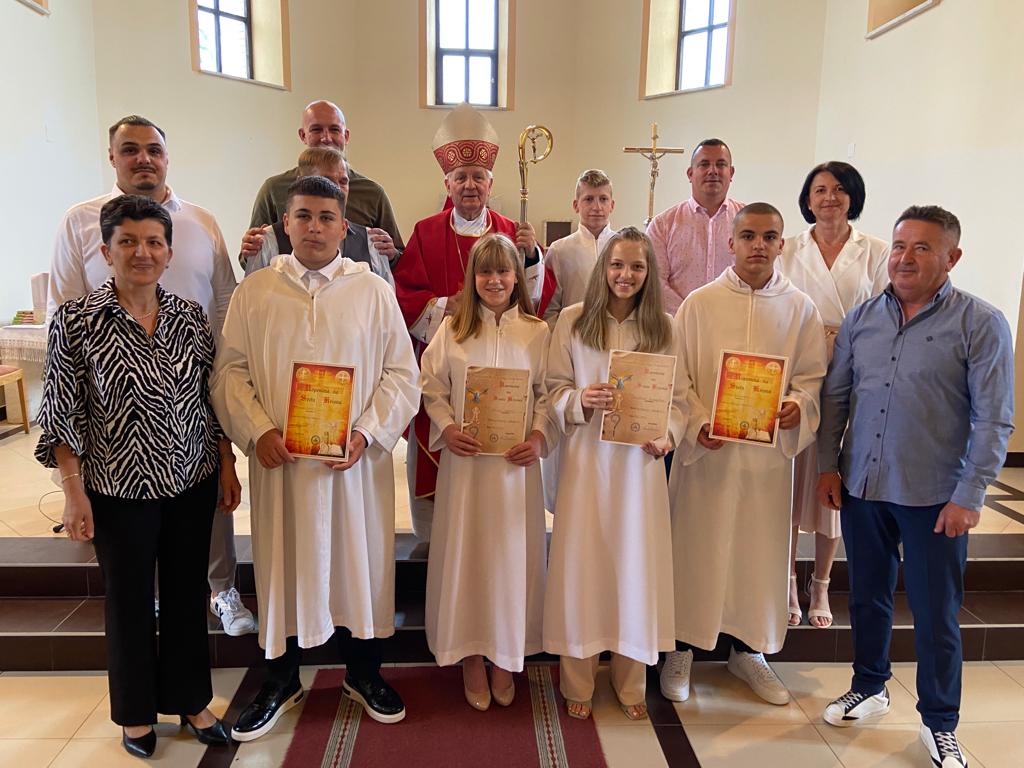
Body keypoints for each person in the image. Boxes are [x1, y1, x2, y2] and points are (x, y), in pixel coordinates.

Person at [211, 176, 420, 741]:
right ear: (285, 223)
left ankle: (364, 673)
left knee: (357, 563)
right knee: (283, 564)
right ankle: (281, 680)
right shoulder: (257, 291)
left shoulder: (372, 290)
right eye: (303, 216)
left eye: (327, 217)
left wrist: (368, 433)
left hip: (353, 467)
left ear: (344, 227)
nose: (314, 227)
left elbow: (403, 374)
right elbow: (229, 372)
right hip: (281, 465)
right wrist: (257, 431)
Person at [36, 195, 240, 758]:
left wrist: (225, 461)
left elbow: (209, 397)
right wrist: (72, 491)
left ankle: (192, 701)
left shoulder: (189, 318)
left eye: (153, 242)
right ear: (106, 252)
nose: (142, 252)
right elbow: (61, 413)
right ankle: (134, 714)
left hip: (191, 479)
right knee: (127, 600)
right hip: (116, 489)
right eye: (127, 242)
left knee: (186, 592)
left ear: (169, 252)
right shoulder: (77, 322)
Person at [817, 206, 1014, 768]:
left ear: (952, 257)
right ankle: (869, 686)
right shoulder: (862, 318)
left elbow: (993, 419)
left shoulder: (980, 322)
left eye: (922, 248)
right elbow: (836, 397)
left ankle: (940, 722)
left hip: (935, 497)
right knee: (866, 596)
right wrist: (828, 466)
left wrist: (970, 495)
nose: (904, 258)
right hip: (864, 485)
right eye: (900, 245)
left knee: (935, 612)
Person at [46, 114, 254, 637]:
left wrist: (226, 395)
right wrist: (71, 480)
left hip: (192, 410)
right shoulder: (80, 221)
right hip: (115, 439)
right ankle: (147, 604)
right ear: (112, 157)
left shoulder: (201, 222)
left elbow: (225, 299)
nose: (144, 159)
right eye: (131, 150)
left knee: (205, 524)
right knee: (131, 576)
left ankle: (222, 590)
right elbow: (62, 305)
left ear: (166, 158)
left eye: (153, 150)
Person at [660, 203, 827, 707]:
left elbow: (812, 379)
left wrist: (798, 406)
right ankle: (681, 649)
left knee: (756, 556)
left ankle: (749, 650)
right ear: (730, 242)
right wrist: (696, 423)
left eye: (769, 237)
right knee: (696, 550)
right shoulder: (699, 304)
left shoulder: (800, 309)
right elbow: (677, 378)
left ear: (781, 244)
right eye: (749, 236)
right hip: (707, 458)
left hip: (765, 463)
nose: (759, 245)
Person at [393, 102, 548, 542]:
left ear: (490, 183)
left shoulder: (511, 231)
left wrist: (532, 257)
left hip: (507, 385)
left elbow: (533, 305)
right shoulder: (426, 231)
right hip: (449, 370)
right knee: (443, 497)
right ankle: (436, 550)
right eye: (460, 177)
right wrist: (452, 306)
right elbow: (405, 297)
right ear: (447, 183)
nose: (470, 185)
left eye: (478, 177)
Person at [543, 227, 681, 721]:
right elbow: (552, 389)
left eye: (637, 266)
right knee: (584, 566)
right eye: (617, 265)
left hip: (639, 469)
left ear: (650, 273)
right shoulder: (574, 321)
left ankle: (629, 681)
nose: (626, 275)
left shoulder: (665, 327)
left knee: (633, 567)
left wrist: (669, 435)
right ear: (603, 268)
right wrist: (579, 399)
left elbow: (681, 399)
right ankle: (577, 679)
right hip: (587, 465)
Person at [420, 233, 552, 711]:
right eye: (485, 271)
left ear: (517, 277)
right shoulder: (453, 330)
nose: (494, 280)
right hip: (468, 468)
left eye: (503, 271)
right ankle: (471, 654)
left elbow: (548, 393)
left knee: (509, 560)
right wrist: (448, 428)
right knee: (468, 556)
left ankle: (505, 654)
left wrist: (538, 436)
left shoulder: (537, 333)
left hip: (515, 472)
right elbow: (430, 386)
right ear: (471, 278)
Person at [778, 161, 890, 630]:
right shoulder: (787, 248)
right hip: (796, 370)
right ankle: (786, 579)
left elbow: (885, 310)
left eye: (840, 189)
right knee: (789, 479)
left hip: (852, 371)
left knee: (833, 477)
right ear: (807, 199)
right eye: (820, 189)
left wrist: (842, 340)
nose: (829, 197)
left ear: (853, 197)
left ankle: (821, 583)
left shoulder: (876, 251)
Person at [248, 99, 402, 260]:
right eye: (316, 130)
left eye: (335, 130)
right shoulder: (273, 189)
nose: (326, 138)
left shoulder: (372, 193)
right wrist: (251, 250)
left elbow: (399, 257)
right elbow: (254, 255)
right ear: (303, 135)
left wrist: (392, 254)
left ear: (346, 136)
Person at [239, 147, 394, 286]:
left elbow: (385, 300)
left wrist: (393, 255)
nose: (337, 189)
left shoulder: (371, 243)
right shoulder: (269, 241)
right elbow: (253, 295)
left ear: (344, 228)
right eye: (327, 181)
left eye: (343, 181)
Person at [646, 138, 745, 315]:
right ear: (690, 174)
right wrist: (691, 316)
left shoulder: (748, 222)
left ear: (731, 172)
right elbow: (655, 282)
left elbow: (757, 276)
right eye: (704, 164)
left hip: (735, 321)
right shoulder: (663, 225)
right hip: (679, 324)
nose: (713, 171)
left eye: (721, 164)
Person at [542, 169, 616, 327]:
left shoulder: (623, 246)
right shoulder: (559, 250)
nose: (597, 207)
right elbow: (550, 309)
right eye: (589, 199)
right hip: (573, 333)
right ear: (576, 205)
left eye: (603, 199)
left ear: (612, 205)